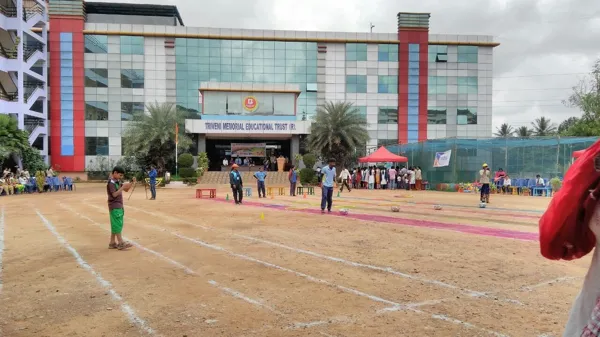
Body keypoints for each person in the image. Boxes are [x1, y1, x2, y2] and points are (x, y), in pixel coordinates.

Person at [107, 166, 134, 250]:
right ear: (115, 173)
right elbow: (114, 194)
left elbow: (126, 189)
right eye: (120, 175)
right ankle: (120, 242)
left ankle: (112, 242)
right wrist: (122, 187)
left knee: (116, 224)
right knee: (118, 224)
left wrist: (132, 183)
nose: (121, 177)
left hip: (118, 205)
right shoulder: (111, 183)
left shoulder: (117, 181)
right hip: (115, 206)